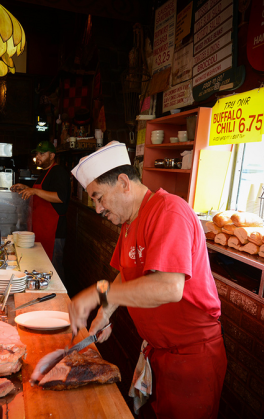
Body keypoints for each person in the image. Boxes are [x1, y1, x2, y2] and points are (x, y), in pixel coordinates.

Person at [68, 141, 226, 419]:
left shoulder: (168, 211)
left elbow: (169, 288)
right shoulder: (130, 222)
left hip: (191, 357)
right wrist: (103, 316)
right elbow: (122, 277)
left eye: (99, 197)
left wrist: (96, 294)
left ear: (123, 183)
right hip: (158, 352)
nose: (97, 208)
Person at [10, 141, 70, 277]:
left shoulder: (58, 172)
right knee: (43, 266)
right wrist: (26, 188)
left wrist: (34, 191)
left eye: (42, 153)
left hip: (54, 231)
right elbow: (43, 192)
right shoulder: (44, 173)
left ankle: (61, 297)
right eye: (37, 153)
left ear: (52, 155)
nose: (38, 156)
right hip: (42, 229)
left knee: (54, 269)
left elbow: (60, 197)